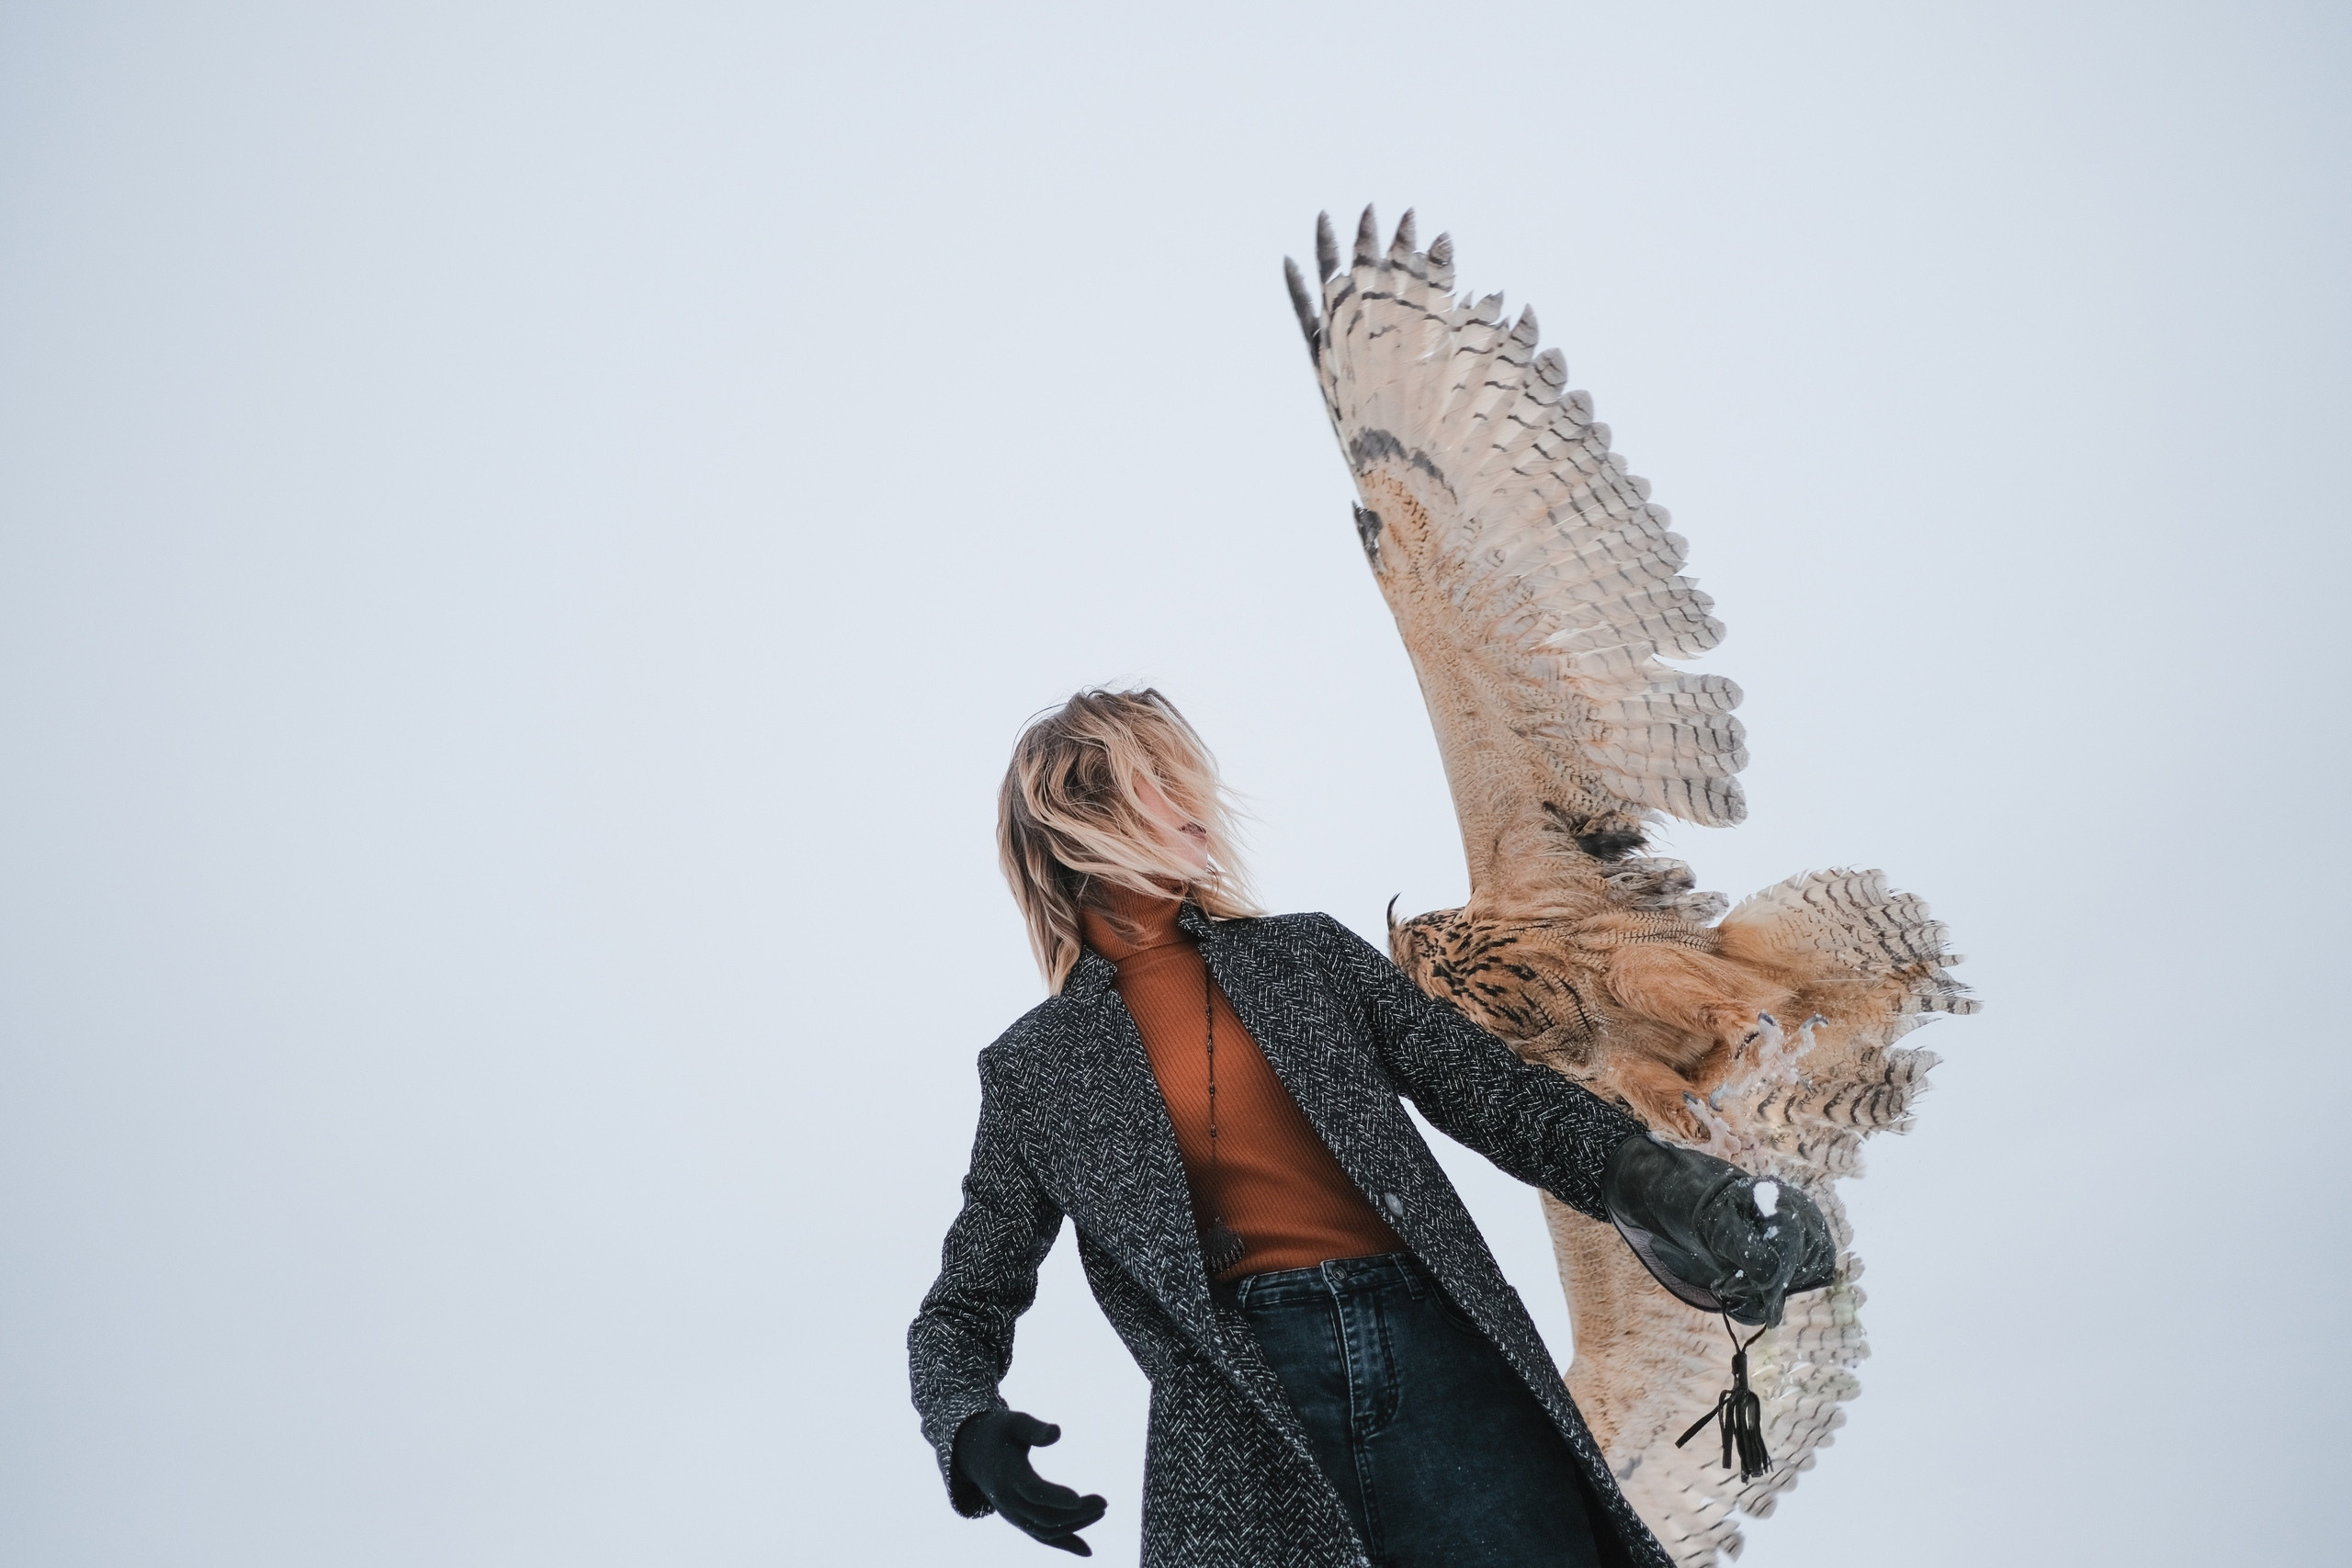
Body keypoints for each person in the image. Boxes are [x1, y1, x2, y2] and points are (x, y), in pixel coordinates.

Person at [908, 689, 1830, 1568]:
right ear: (1078, 817)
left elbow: (1497, 1097)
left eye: (1190, 773)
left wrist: (1673, 1187)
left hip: (1440, 1362)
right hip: (1237, 1423)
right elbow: (963, 1305)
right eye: (1159, 779)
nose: (1197, 801)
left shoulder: (1304, 958)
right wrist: (969, 1426)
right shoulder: (1035, 1070)